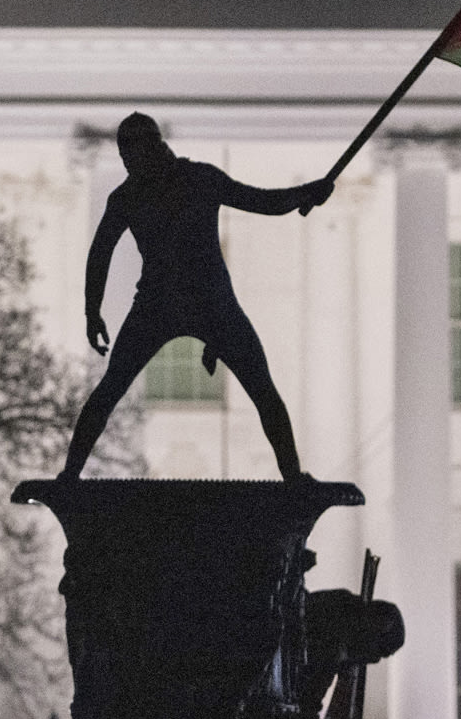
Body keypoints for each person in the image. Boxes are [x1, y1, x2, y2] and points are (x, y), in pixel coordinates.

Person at [61, 113, 333, 480]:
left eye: (133, 156)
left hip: (188, 303)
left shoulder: (171, 185)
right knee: (113, 389)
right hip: (188, 302)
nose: (130, 164)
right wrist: (91, 312)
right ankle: (70, 475)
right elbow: (100, 254)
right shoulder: (158, 188)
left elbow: (262, 202)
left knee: (262, 390)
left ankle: (294, 475)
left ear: (147, 150)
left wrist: (307, 192)